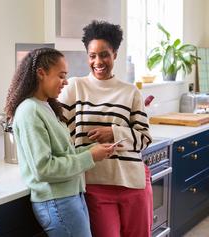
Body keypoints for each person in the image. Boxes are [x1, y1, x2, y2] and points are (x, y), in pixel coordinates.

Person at [5, 47, 115, 237]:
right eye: (61, 75)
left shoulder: (46, 106)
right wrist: (90, 156)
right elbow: (44, 168)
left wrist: (93, 150)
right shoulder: (29, 111)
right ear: (41, 73)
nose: (65, 82)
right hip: (56, 202)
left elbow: (62, 154)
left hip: (69, 196)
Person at [59, 21, 153, 237]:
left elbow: (145, 138)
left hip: (133, 182)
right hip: (95, 184)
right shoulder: (74, 87)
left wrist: (115, 132)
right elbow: (57, 128)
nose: (98, 62)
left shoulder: (131, 92)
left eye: (104, 55)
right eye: (92, 55)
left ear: (115, 54)